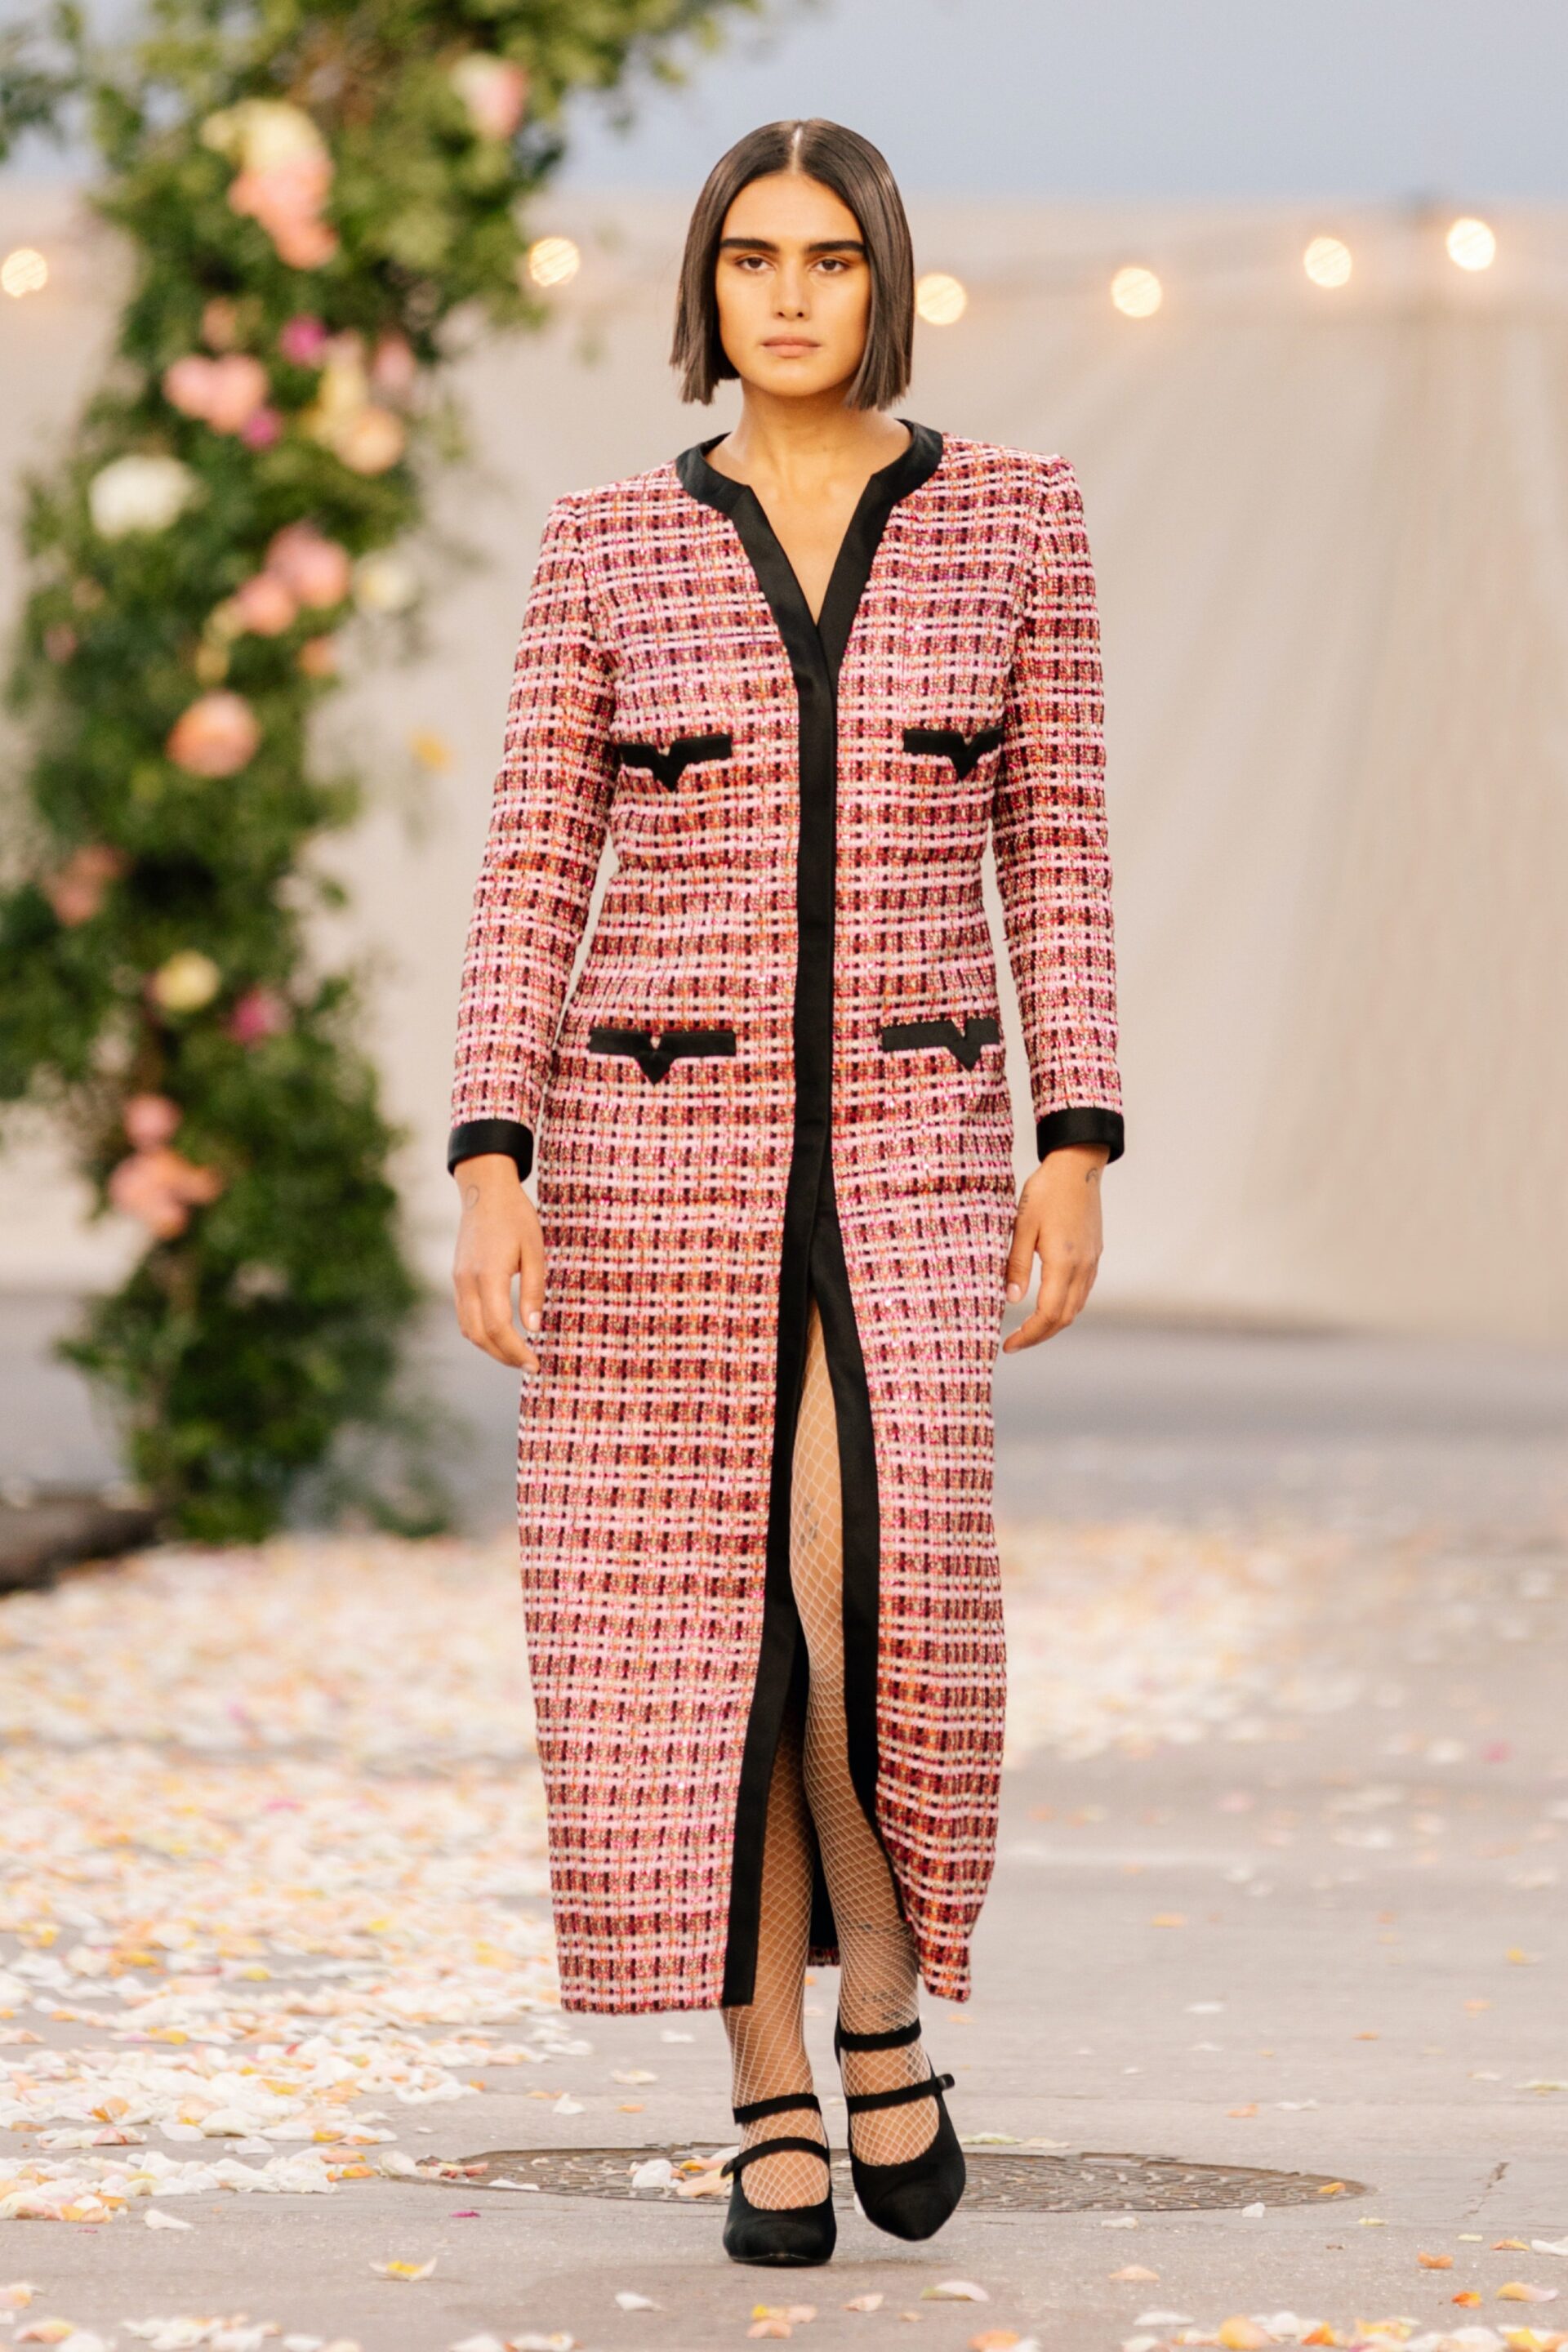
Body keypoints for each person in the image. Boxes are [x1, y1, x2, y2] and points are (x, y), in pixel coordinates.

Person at [447, 117, 1124, 2269]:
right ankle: (769, 2075)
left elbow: (1060, 849)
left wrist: (1077, 1135)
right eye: (755, 258)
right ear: (706, 287)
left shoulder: (1017, 517)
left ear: (885, 280)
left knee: (867, 1618)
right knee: (700, 1644)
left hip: (919, 1152)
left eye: (831, 258)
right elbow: (533, 867)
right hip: (651, 1166)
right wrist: (491, 1158)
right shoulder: (604, 546)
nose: (794, 294)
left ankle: (889, 1995)